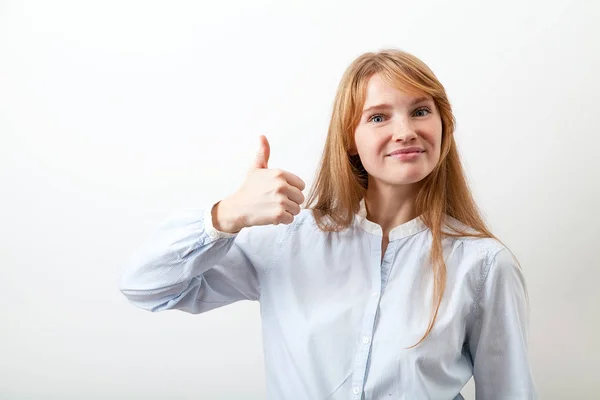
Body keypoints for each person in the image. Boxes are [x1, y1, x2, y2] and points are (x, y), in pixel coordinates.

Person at [119, 49, 537, 399]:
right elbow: (145, 286)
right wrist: (227, 215)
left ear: (443, 126)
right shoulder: (290, 241)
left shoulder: (483, 265)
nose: (405, 131)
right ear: (349, 139)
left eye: (420, 111)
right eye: (378, 117)